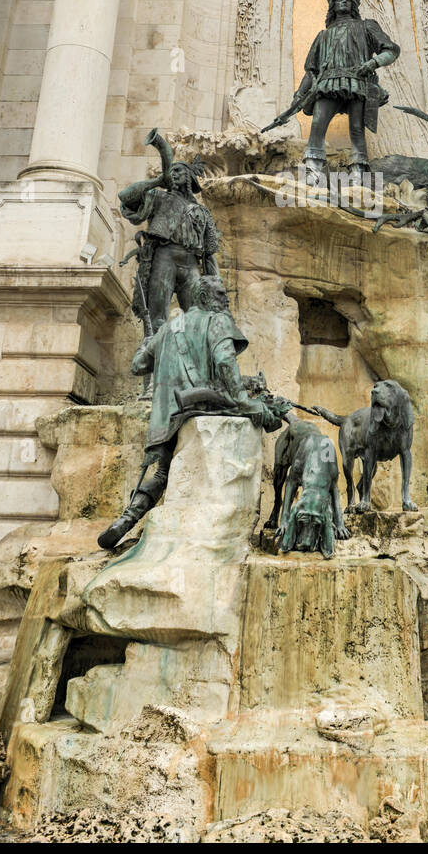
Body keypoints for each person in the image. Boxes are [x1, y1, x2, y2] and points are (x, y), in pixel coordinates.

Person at [98, 278, 283, 549]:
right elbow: (225, 362)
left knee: (161, 473)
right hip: (201, 404)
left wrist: (151, 340)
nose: (226, 300)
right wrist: (244, 403)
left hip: (166, 418)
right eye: (221, 294)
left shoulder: (168, 327)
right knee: (269, 413)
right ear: (205, 298)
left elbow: (138, 365)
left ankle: (127, 518)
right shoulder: (217, 320)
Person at [264, 0, 400, 180]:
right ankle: (312, 167)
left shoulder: (366, 26)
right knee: (318, 122)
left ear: (353, 5)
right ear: (333, 6)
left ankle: (358, 170)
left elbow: (391, 50)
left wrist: (372, 64)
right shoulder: (323, 35)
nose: (343, 2)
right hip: (328, 83)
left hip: (357, 81)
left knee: (356, 128)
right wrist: (298, 97)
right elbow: (311, 71)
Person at [118, 128, 222, 334]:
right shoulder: (158, 197)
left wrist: (216, 282)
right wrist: (157, 181)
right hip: (164, 257)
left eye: (178, 171)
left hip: (191, 264)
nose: (173, 174)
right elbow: (125, 196)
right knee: (157, 317)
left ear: (189, 178)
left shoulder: (202, 211)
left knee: (197, 319)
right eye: (171, 171)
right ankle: (156, 361)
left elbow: (209, 252)